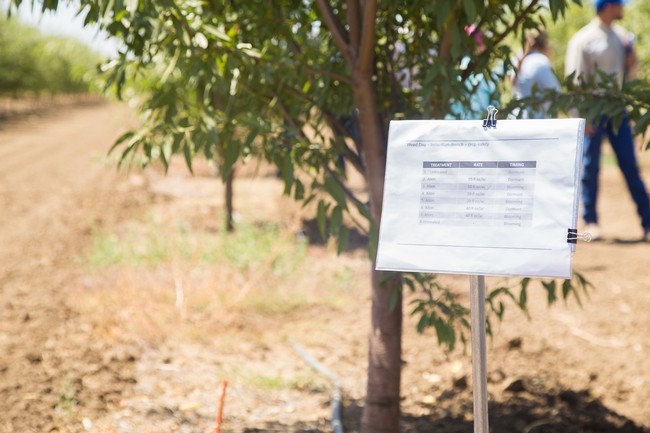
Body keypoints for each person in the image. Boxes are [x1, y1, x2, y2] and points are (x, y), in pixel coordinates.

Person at [565, 0, 650, 241]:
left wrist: (632, 65)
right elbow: (575, 81)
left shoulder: (622, 37)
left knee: (629, 164)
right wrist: (581, 117)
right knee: (590, 166)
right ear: (608, 6)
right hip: (593, 110)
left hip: (618, 110)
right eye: (619, 4)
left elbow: (628, 75)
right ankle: (591, 221)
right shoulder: (583, 40)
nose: (623, 8)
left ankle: (648, 222)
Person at [513, 28, 562, 119]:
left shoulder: (517, 58)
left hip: (517, 117)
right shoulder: (540, 62)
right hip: (536, 121)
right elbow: (556, 92)